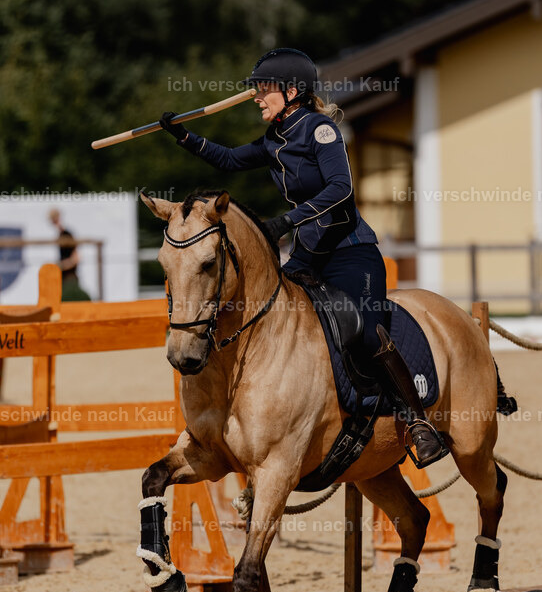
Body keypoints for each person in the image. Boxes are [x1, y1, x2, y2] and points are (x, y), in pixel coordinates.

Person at [158, 48, 447, 468]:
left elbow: (340, 190)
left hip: (350, 252)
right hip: (309, 254)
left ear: (292, 91)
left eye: (264, 90)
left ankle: (417, 422)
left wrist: (285, 222)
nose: (257, 97)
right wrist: (183, 136)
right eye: (256, 91)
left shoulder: (320, 130)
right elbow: (229, 159)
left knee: (367, 332)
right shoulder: (274, 139)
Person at [47, 209, 91, 302]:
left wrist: (61, 265)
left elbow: (76, 258)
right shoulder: (60, 234)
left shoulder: (67, 234)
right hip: (63, 278)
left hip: (70, 278)